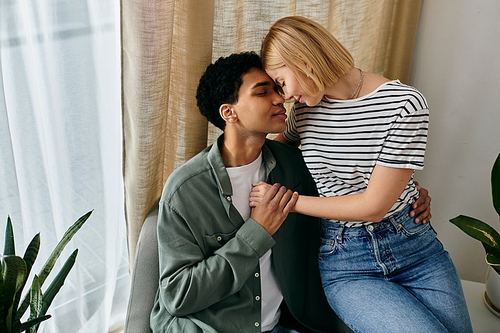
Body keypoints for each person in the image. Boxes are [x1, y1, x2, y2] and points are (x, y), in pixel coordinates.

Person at [251, 16, 472, 333]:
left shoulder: (404, 104)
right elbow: (273, 157)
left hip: (415, 249)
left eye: (281, 82)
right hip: (347, 261)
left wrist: (290, 202)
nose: (283, 95)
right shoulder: (302, 111)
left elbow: (374, 206)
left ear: (303, 60)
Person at [149, 51, 356, 333]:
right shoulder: (186, 191)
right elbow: (177, 296)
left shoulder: (293, 166)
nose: (279, 98)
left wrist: (404, 198)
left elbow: (342, 201)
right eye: (262, 93)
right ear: (229, 112)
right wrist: (257, 231)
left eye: (277, 89)